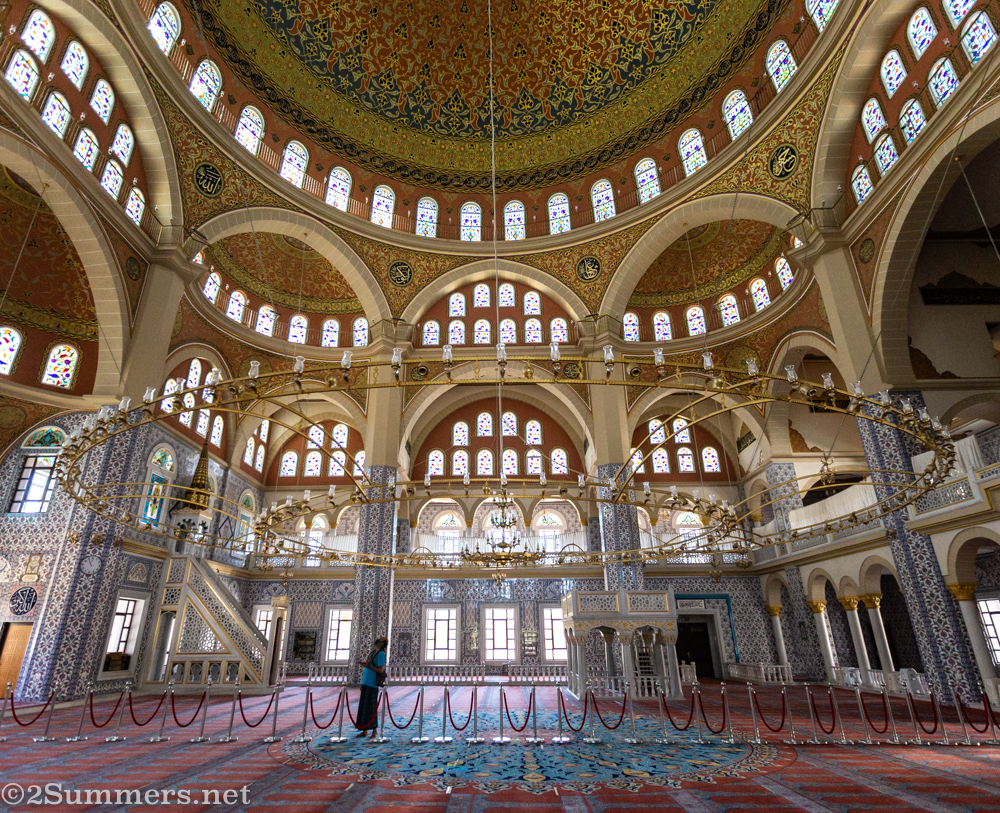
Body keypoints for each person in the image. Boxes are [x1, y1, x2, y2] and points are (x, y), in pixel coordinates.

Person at [355, 636, 387, 739]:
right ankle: (364, 730)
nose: (377, 639)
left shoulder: (381, 654)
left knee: (372, 708)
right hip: (366, 682)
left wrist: (369, 666)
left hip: (372, 683)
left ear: (382, 643)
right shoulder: (373, 652)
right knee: (364, 707)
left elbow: (381, 670)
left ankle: (374, 732)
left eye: (380, 639)